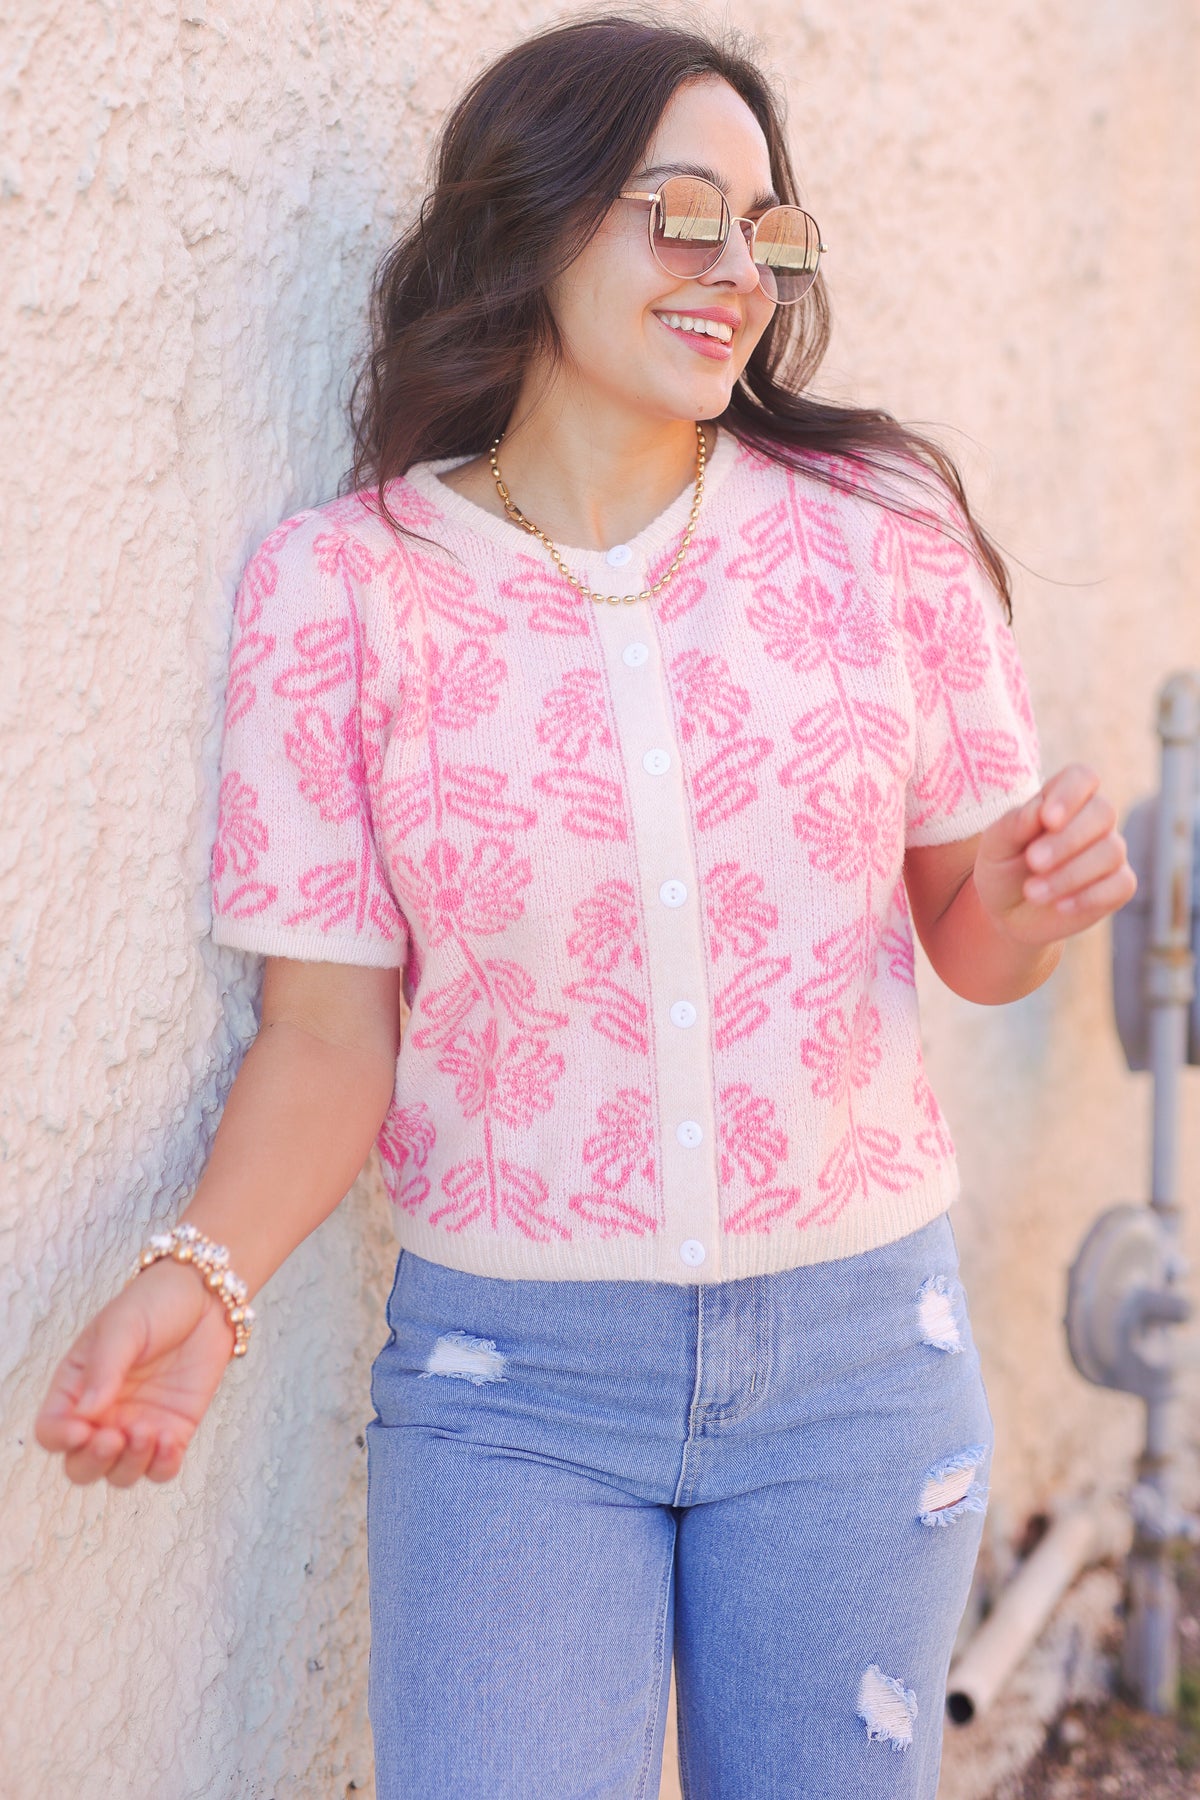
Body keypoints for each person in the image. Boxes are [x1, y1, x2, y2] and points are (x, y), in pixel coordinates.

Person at [35, 15, 1137, 1797]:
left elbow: (976, 939)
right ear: (532, 219)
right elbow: (328, 1036)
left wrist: (1032, 902)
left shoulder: (876, 531)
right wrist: (205, 1277)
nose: (736, 272)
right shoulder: (344, 591)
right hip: (513, 1387)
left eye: (769, 233)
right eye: (678, 212)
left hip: (859, 1368)